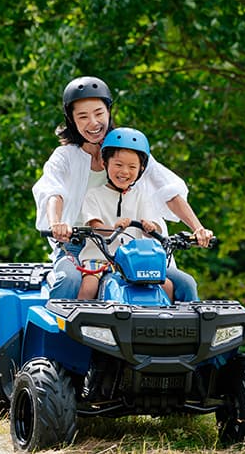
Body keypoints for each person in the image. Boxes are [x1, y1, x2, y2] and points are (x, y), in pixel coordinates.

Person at [32, 75, 213, 301]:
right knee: (70, 280)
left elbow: (168, 190)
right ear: (72, 120)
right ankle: (57, 333)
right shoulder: (65, 157)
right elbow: (52, 191)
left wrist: (198, 229)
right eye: (83, 116)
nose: (93, 123)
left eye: (98, 114)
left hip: (134, 246)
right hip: (80, 244)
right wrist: (56, 223)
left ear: (109, 112)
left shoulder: (128, 148)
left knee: (185, 283)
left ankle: (187, 335)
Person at [75, 128, 175, 301]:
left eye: (132, 167)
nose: (124, 172)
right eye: (118, 165)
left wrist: (150, 227)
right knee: (89, 286)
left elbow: (152, 227)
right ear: (104, 164)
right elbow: (95, 226)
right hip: (100, 259)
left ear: (141, 169)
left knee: (167, 285)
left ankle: (167, 323)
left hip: (135, 261)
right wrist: (114, 229)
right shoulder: (93, 195)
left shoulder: (142, 196)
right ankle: (76, 326)